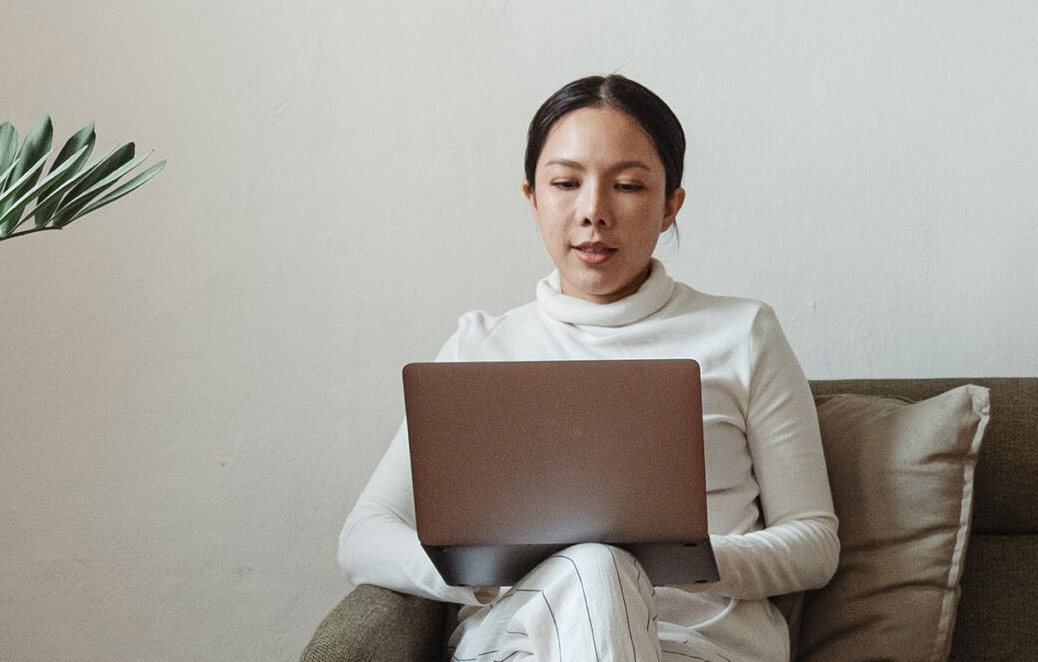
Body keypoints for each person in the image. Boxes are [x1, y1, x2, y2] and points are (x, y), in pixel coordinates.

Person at [338, 74, 838, 662]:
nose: (593, 212)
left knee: (602, 565)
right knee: (591, 567)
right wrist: (483, 574)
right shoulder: (480, 346)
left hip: (696, 646)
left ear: (671, 204)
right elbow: (364, 535)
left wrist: (682, 557)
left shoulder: (743, 333)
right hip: (524, 643)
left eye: (626, 185)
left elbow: (814, 542)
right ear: (532, 197)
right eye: (566, 183)